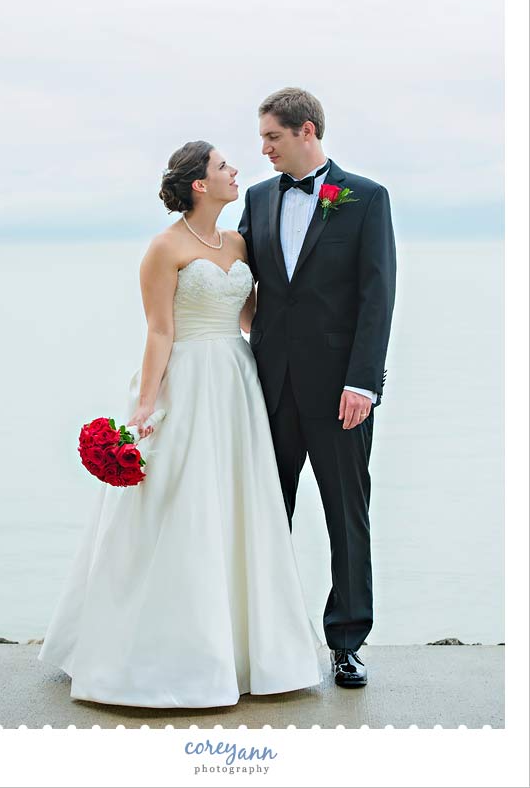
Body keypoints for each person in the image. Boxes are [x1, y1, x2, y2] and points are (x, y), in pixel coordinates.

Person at [37, 140, 322, 708]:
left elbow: (251, 316)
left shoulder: (239, 242)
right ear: (199, 184)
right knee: (181, 504)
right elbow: (160, 331)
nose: (235, 170)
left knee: (238, 505)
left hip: (237, 382)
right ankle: (169, 651)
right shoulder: (164, 249)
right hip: (186, 381)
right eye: (223, 166)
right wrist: (145, 406)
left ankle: (248, 650)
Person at [238, 87, 397, 688]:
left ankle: (348, 642)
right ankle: (266, 636)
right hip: (267, 387)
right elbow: (244, 284)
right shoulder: (256, 199)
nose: (264, 149)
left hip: (341, 394)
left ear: (306, 131)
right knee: (265, 514)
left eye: (272, 137)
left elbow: (377, 295)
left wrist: (363, 381)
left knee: (345, 517)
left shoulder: (365, 198)